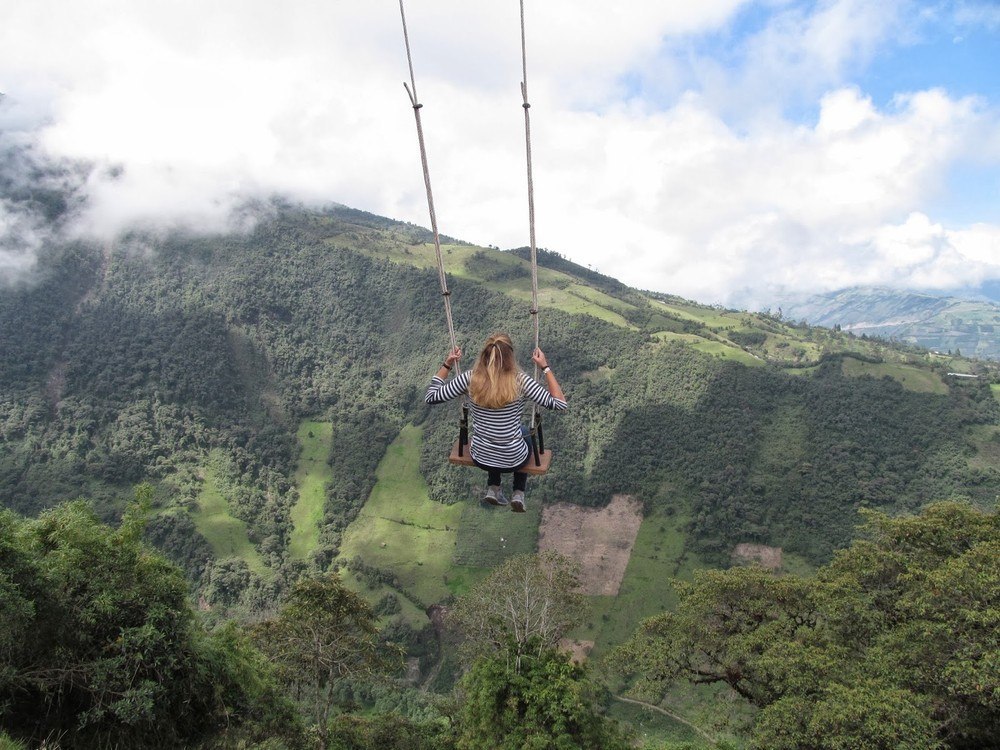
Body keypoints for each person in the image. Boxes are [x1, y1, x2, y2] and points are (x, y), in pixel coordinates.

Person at [425, 333, 567, 512]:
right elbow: (560, 404)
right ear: (510, 357)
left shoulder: (470, 378)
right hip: (514, 459)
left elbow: (431, 396)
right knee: (524, 431)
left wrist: (448, 364)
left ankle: (493, 487)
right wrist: (545, 367)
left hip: (481, 457)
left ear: (483, 355)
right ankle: (518, 492)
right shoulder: (520, 381)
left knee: (490, 436)